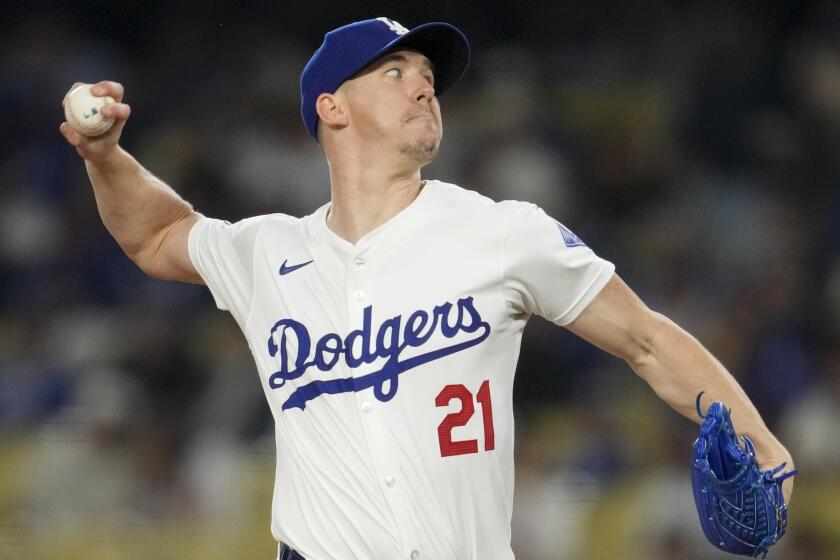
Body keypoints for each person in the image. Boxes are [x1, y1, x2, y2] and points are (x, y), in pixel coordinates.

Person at [60, 17, 795, 560]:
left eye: (427, 75)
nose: (424, 83)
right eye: (395, 70)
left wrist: (763, 444)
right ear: (331, 107)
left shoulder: (502, 232)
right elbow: (155, 235)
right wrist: (104, 155)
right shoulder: (268, 251)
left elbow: (646, 338)